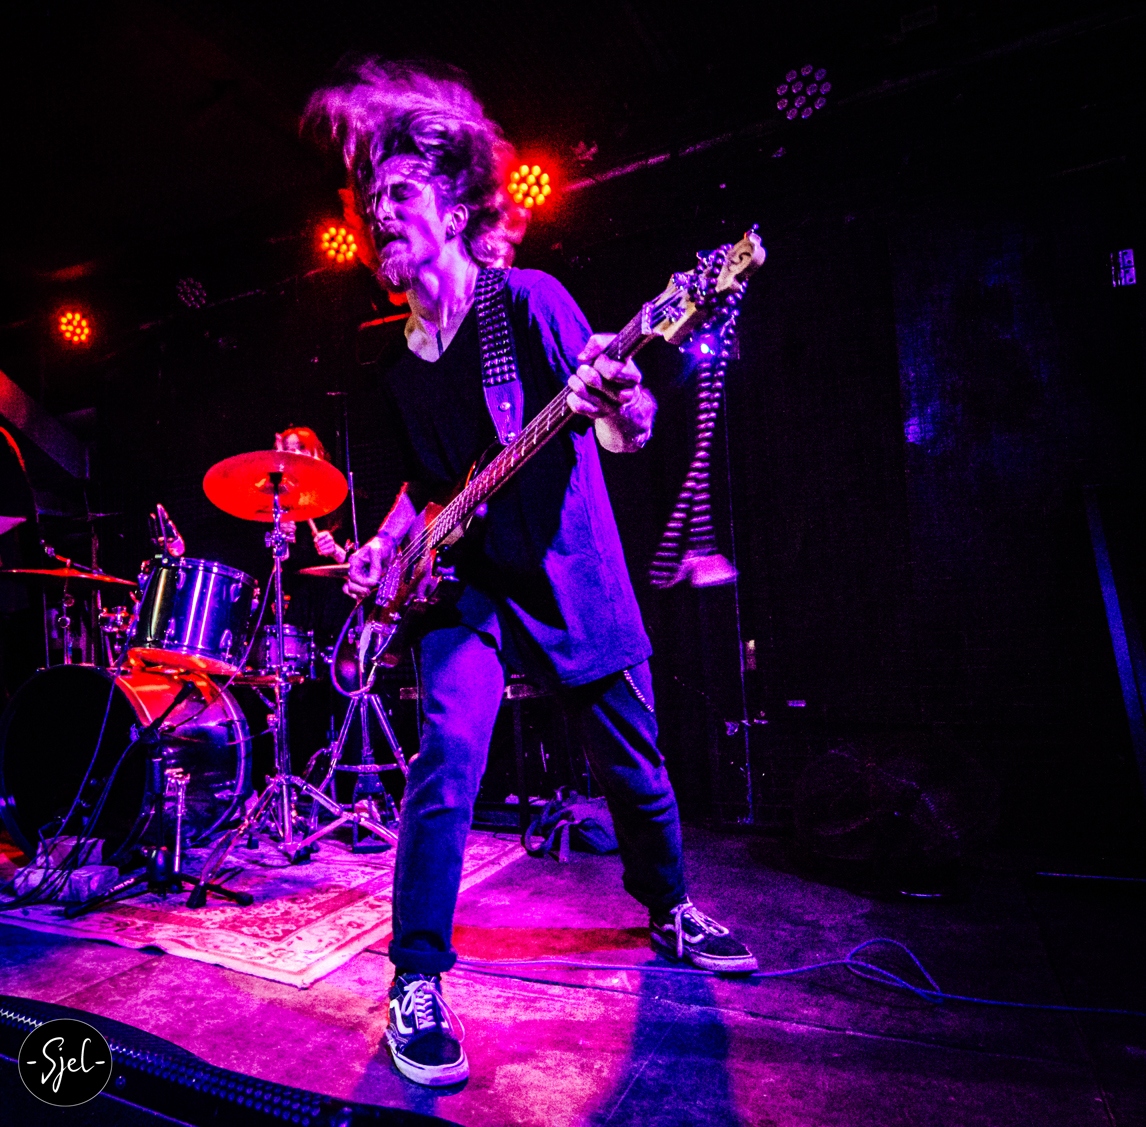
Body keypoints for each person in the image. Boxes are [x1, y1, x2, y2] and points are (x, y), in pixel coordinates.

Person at [305, 57, 757, 1089]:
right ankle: (416, 976)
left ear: (456, 206)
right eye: (370, 201)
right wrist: (386, 545)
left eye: (401, 192)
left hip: (568, 567)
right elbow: (420, 489)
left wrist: (621, 400)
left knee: (635, 766)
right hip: (467, 585)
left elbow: (630, 426)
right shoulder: (393, 365)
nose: (381, 212)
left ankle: (671, 905)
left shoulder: (529, 302)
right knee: (446, 756)